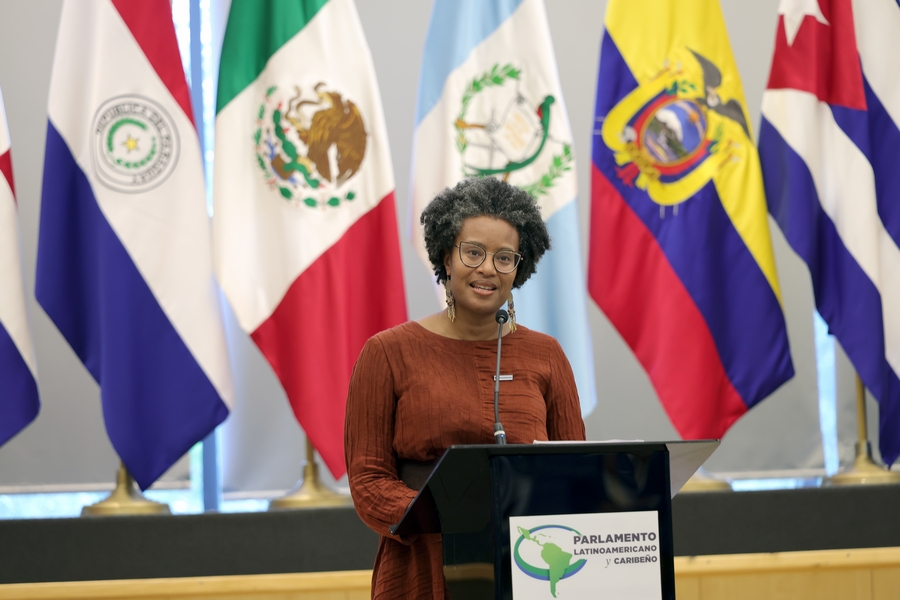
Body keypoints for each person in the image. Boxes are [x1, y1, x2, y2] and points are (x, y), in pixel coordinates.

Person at [344, 177, 586, 599]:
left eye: (504, 257)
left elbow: (577, 469)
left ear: (519, 268)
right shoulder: (387, 352)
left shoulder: (547, 354)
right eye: (473, 252)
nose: (488, 268)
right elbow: (368, 481)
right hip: (424, 562)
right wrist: (447, 514)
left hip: (527, 563)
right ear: (447, 257)